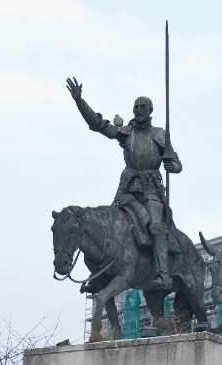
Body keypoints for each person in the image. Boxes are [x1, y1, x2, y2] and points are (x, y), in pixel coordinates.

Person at [66, 77, 181, 290]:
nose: (138, 110)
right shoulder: (127, 133)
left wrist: (172, 166)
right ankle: (99, 278)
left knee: (156, 226)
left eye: (142, 107)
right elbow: (98, 125)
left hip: (151, 191)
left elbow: (175, 162)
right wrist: (79, 101)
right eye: (136, 106)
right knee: (106, 227)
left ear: (150, 110)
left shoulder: (159, 135)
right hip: (127, 191)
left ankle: (163, 273)